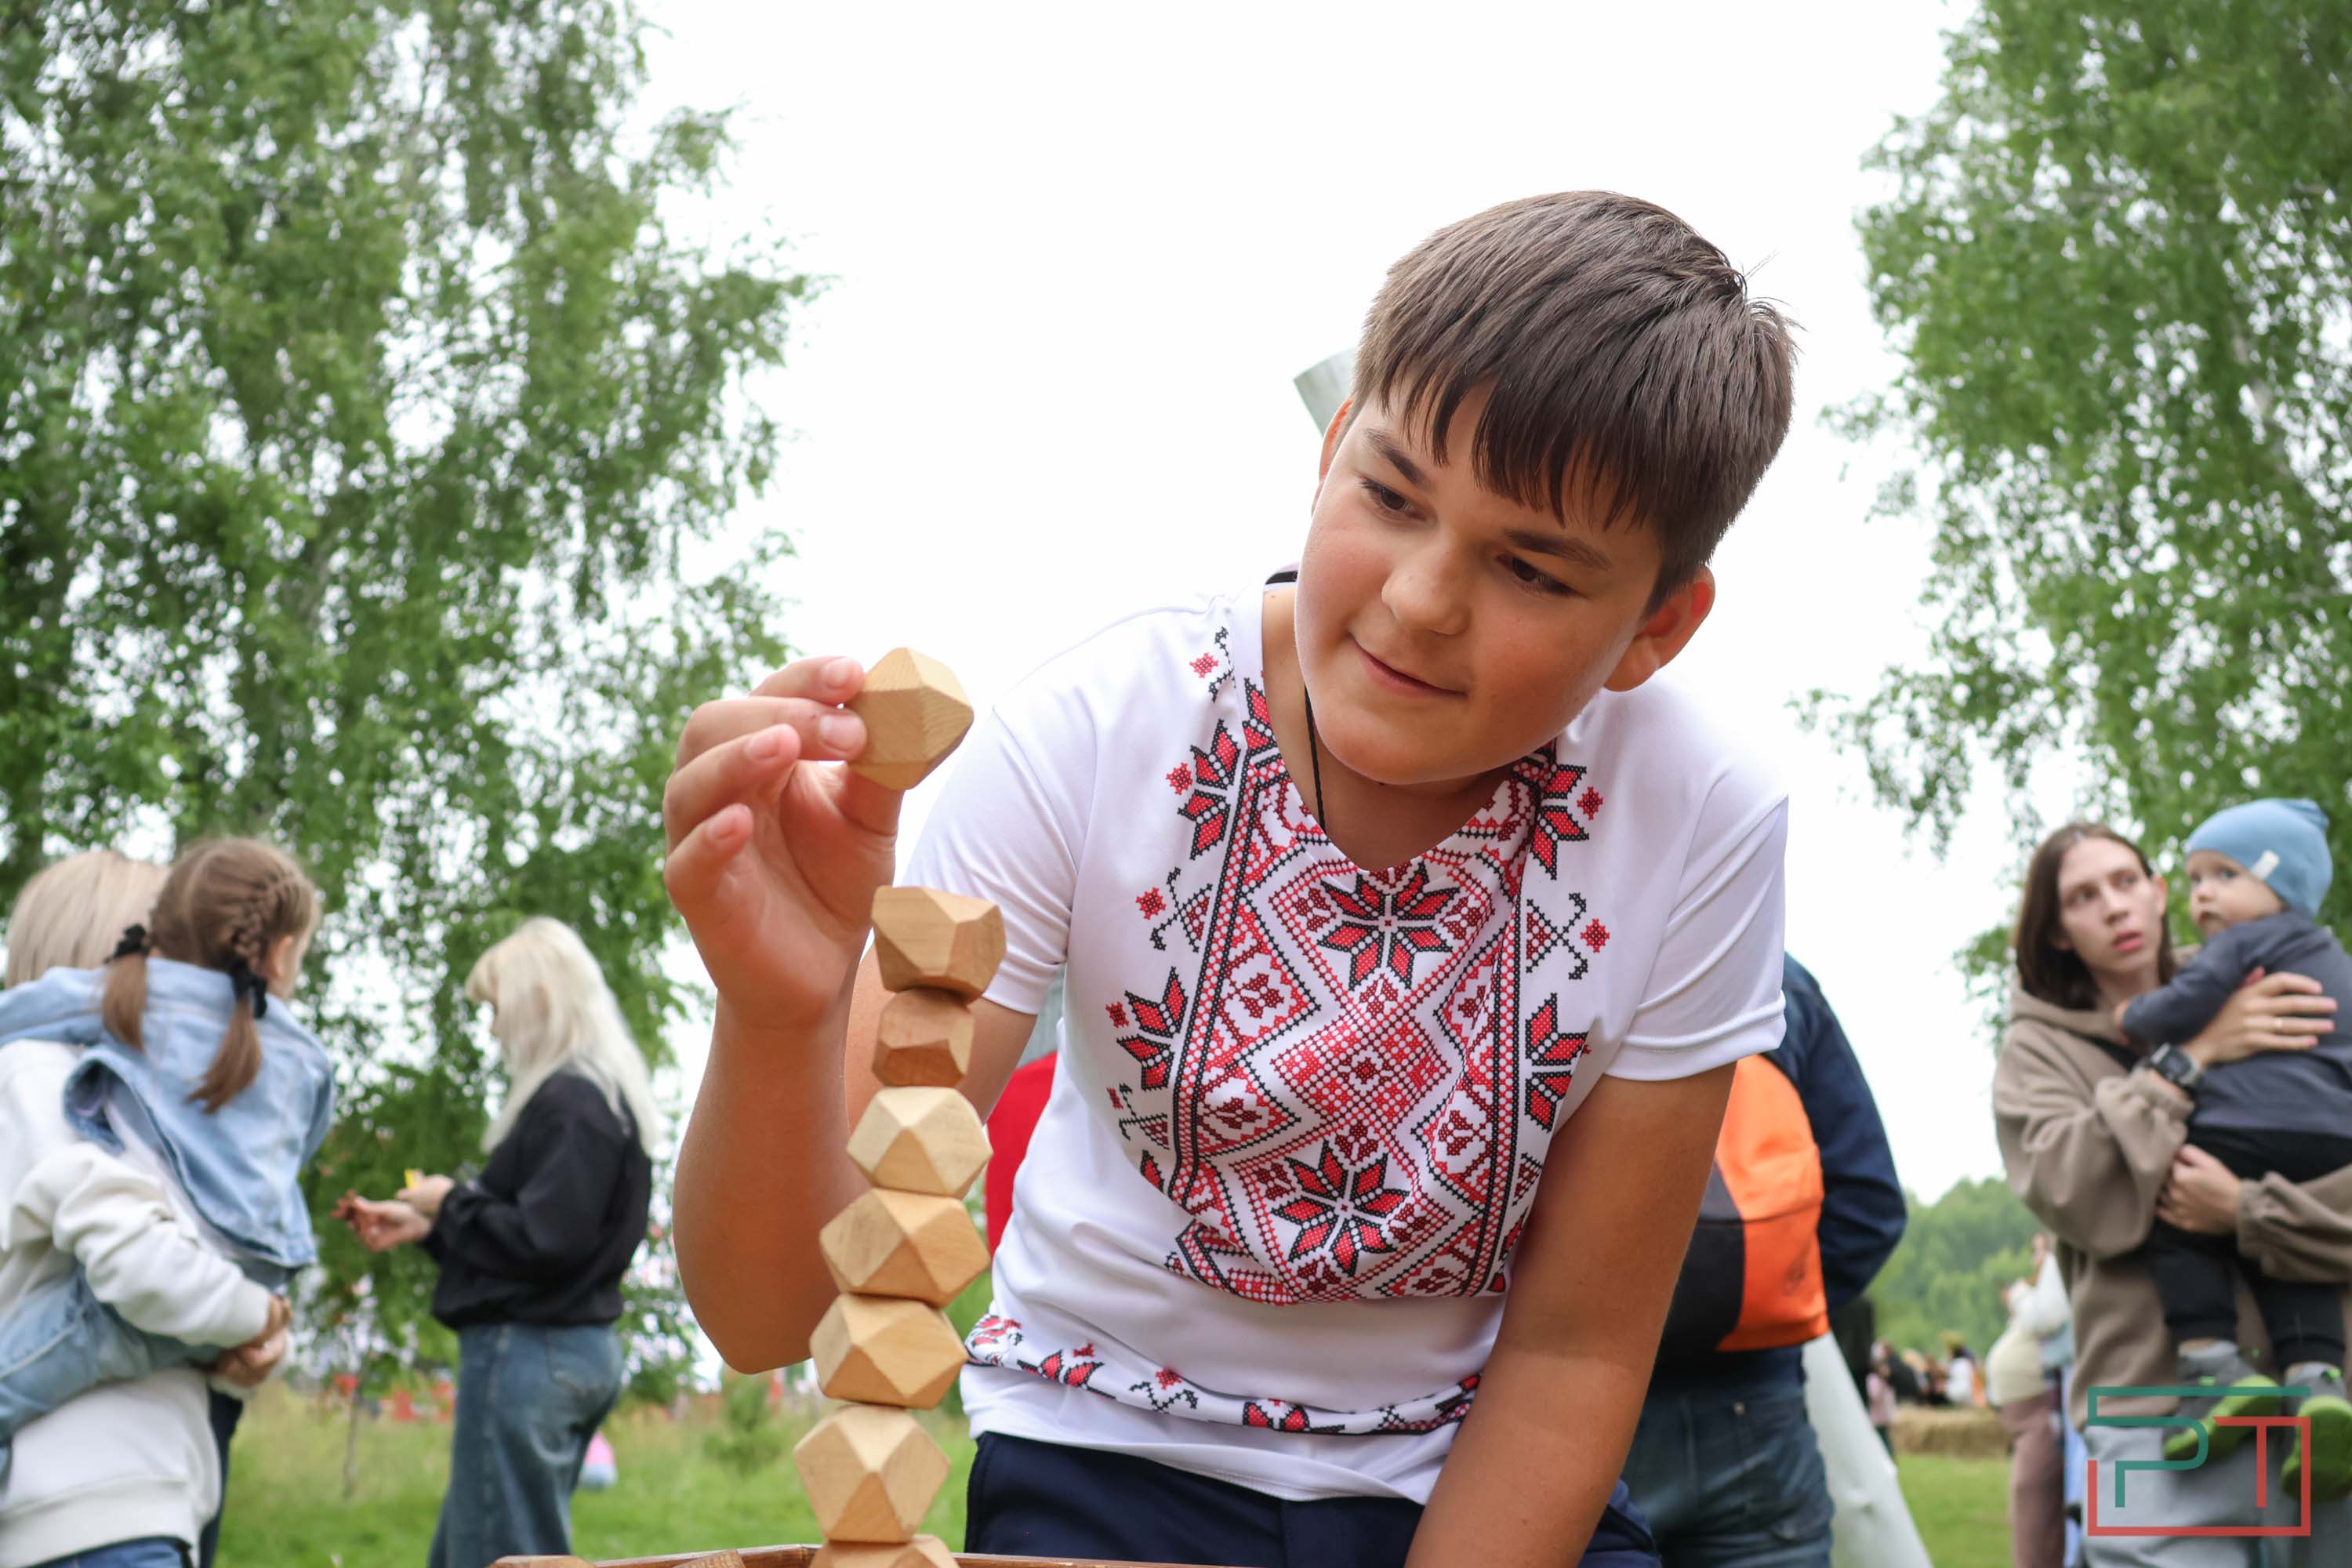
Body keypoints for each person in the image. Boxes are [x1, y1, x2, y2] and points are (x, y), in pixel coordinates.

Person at [666, 190, 1799, 1568]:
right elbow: (771, 1310)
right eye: (1391, 496)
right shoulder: (1096, 731)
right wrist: (779, 1015)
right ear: (1330, 451)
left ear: (1657, 628)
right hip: (1104, 1459)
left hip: (1465, 1486)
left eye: (1532, 570)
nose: (1421, 599)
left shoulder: (1704, 819)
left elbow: (1573, 1352)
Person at [1992, 821, 2349, 1563]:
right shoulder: (2035, 1053)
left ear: (2161, 895)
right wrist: (2196, 1054)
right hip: (2153, 1415)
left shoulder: (2270, 984)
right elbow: (2083, 1196)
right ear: (2057, 931)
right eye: (2083, 897)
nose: (2115, 908)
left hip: (2323, 1417)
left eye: (2127, 883)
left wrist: (2247, 1212)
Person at [0, 848, 299, 1568]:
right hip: (87, 1501)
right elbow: (146, 1268)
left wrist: (255, 1344)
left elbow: (202, 1268)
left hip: (116, 1499)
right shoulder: (48, 1079)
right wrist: (255, 1317)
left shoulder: (125, 1100)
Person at [340, 916, 659, 1568]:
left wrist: (449, 1200)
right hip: (563, 1346)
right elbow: (543, 1240)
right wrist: (431, 1228)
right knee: (469, 1552)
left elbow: (544, 1241)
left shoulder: (571, 1103)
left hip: (532, 1352)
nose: (492, 1030)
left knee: (500, 1558)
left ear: (538, 1000)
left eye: (495, 1009)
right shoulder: (599, 1102)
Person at [1623, 956, 1907, 1568]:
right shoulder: (1776, 978)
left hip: (1576, 1409)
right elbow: (1869, 1206)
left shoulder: (1536, 958)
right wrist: (1762, 1298)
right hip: (1756, 1411)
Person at [2108, 800, 2352, 1490]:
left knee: (2180, 1211)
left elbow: (2186, 1004)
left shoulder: (2245, 944)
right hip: (2330, 1140)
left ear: (2282, 887)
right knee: (2287, 1251)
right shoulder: (2337, 959)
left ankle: (2212, 1365)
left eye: (2224, 875)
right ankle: (2317, 1384)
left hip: (2241, 1127)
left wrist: (2134, 1016)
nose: (2203, 895)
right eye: (2194, 879)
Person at [1987, 1255, 2068, 1568]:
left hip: (2042, 1414)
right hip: (2028, 1419)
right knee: (2030, 1510)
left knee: (2037, 1515)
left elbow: (2047, 1317)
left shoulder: (2057, 1263)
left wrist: (2020, 1296)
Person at [1866, 1348, 1898, 1457]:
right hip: (1881, 1415)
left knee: (1883, 1439)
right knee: (1884, 1439)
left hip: (1878, 1417)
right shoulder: (1879, 1380)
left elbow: (1875, 1397)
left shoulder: (1876, 1380)